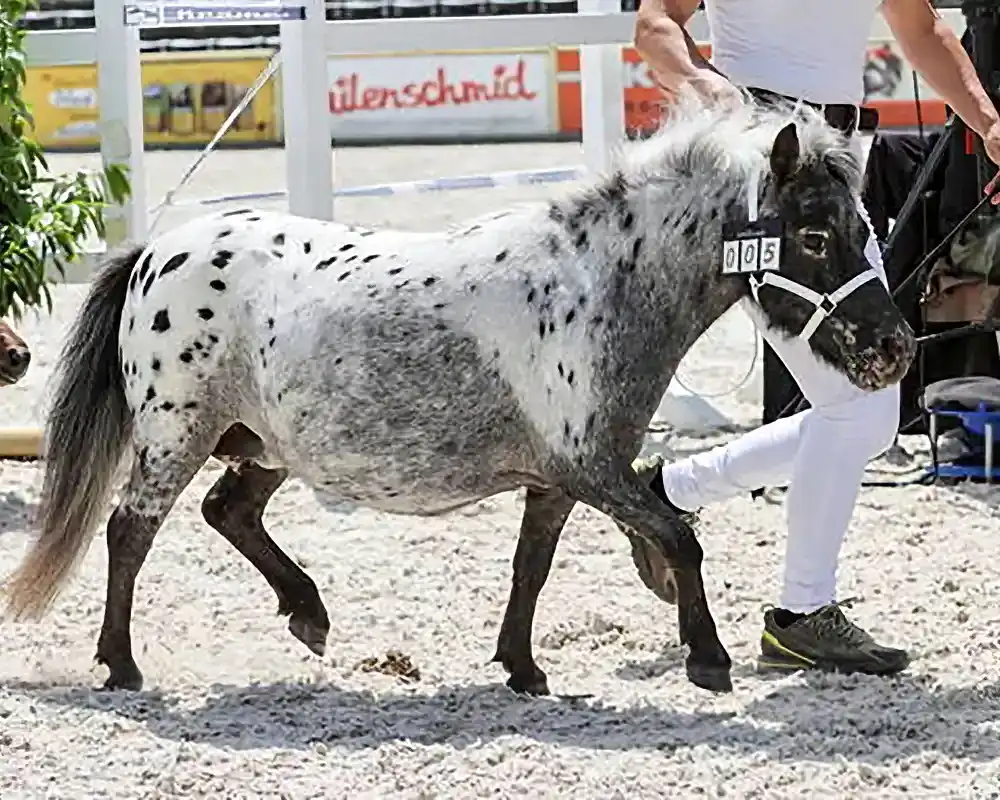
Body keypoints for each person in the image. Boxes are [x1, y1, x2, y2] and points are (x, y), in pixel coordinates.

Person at [626, 0, 1000, 675]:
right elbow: (655, 26)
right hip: (754, 179)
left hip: (834, 182)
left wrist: (991, 123)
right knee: (859, 404)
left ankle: (671, 492)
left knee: (872, 418)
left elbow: (923, 32)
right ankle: (801, 614)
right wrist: (704, 86)